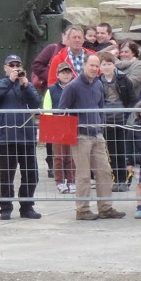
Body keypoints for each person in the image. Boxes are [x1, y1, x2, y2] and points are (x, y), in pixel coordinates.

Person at [59, 52, 124, 220]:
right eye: (92, 65)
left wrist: (100, 126)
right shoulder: (72, 87)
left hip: (97, 134)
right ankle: (82, 209)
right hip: (81, 136)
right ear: (84, 65)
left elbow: (100, 106)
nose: (95, 69)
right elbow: (62, 111)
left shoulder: (98, 85)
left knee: (104, 172)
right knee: (83, 175)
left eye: (97, 66)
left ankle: (105, 207)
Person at [0, 54, 41, 220]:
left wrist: (25, 85)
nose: (15, 67)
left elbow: (35, 103)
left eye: (18, 64)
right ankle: (5, 207)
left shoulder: (26, 84)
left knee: (31, 174)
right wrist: (10, 81)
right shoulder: (0, 83)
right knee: (6, 175)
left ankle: (27, 207)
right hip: (7, 137)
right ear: (5, 67)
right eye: (12, 64)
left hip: (26, 137)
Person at [98, 53, 137, 190]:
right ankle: (115, 179)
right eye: (104, 64)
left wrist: (129, 115)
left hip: (122, 120)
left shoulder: (123, 80)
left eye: (109, 64)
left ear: (114, 65)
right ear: (100, 66)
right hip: (106, 121)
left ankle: (125, 180)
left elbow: (132, 99)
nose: (107, 67)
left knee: (123, 151)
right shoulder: (98, 82)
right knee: (111, 152)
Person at [46, 62, 78, 192]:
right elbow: (47, 108)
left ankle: (71, 180)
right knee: (58, 156)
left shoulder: (75, 88)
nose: (66, 75)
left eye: (68, 72)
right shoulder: (51, 90)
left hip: (71, 123)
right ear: (57, 75)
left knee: (71, 155)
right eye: (63, 72)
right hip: (57, 124)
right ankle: (59, 181)